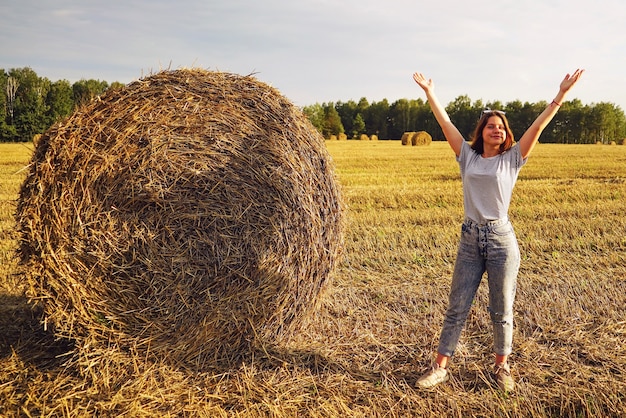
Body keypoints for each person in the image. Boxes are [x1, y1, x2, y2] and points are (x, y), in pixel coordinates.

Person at [412, 69, 584, 392]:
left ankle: (501, 367)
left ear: (506, 135)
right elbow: (445, 123)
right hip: (469, 239)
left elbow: (539, 125)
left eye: (501, 127)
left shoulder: (513, 158)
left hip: (501, 240)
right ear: (482, 131)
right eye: (491, 125)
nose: (496, 129)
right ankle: (439, 367)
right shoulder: (467, 156)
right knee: (457, 306)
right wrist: (431, 93)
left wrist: (560, 95)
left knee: (502, 307)